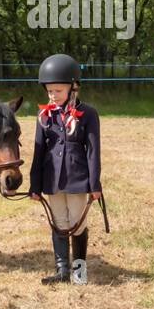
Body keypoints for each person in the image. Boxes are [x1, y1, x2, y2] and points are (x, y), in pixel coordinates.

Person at [28, 54, 102, 285]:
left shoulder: (88, 114)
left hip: (77, 177)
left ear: (73, 88)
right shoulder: (44, 116)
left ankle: (79, 271)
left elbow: (92, 151)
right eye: (50, 91)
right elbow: (38, 152)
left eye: (58, 91)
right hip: (52, 178)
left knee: (76, 223)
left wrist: (94, 184)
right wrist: (35, 184)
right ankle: (62, 271)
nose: (53, 95)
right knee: (58, 222)